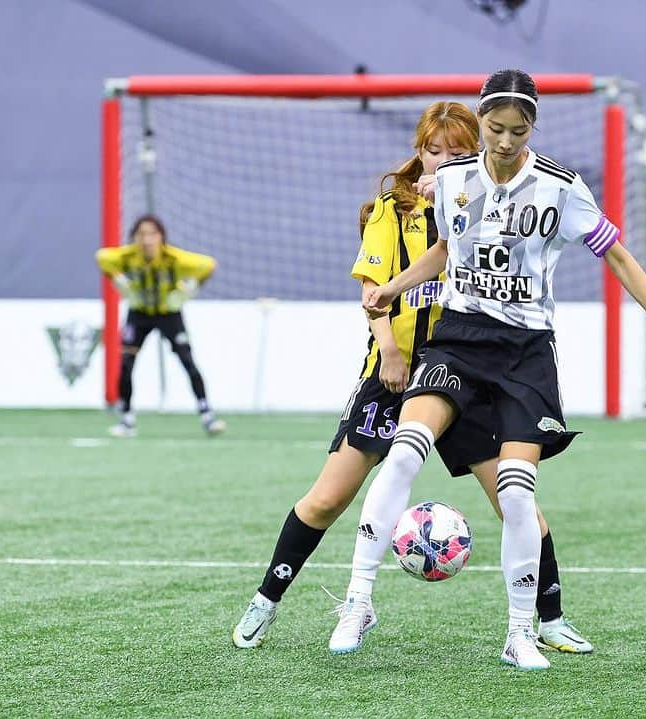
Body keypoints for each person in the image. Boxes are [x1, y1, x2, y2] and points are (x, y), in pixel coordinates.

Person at [328, 69, 646, 670]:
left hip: (525, 352)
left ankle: (520, 633)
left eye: (518, 130)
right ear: (481, 122)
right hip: (458, 340)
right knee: (404, 451)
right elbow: (447, 249)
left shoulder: (560, 187)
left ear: (533, 127)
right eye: (495, 128)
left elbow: (618, 255)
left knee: (515, 491)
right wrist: (393, 288)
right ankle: (358, 601)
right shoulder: (453, 177)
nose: (505, 141)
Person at [232, 101, 593, 656]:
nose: (442, 160)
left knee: (516, 501)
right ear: (418, 150)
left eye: (456, 151)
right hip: (395, 376)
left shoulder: (484, 204)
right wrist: (390, 353)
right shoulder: (389, 210)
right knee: (328, 498)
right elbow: (374, 292)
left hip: (466, 372)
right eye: (433, 149)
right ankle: (268, 599)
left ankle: (548, 618)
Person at [95, 214, 227, 437]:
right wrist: (118, 280)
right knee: (126, 363)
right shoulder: (127, 257)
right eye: (141, 234)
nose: (147, 240)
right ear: (134, 237)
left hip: (168, 313)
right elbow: (102, 258)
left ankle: (207, 415)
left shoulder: (173, 259)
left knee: (187, 361)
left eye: (152, 234)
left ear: (161, 237)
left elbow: (208, 265)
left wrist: (190, 289)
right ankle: (126, 419)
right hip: (139, 313)